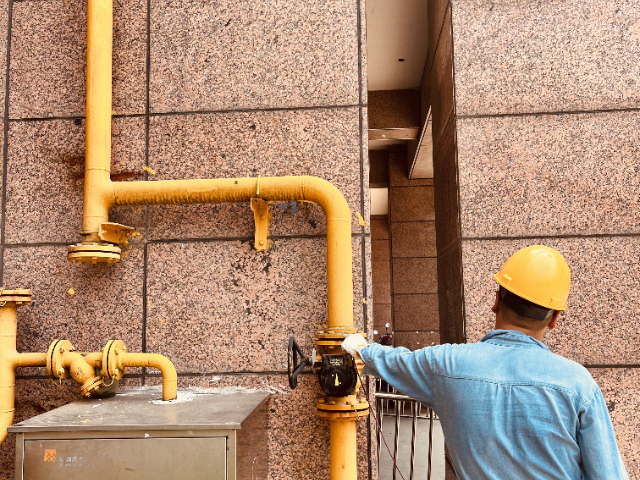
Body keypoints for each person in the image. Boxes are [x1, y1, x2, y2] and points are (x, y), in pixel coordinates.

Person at [343, 245, 628, 480]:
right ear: (554, 319)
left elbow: (394, 361)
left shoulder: (447, 364)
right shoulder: (578, 385)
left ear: (496, 301)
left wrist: (359, 348)